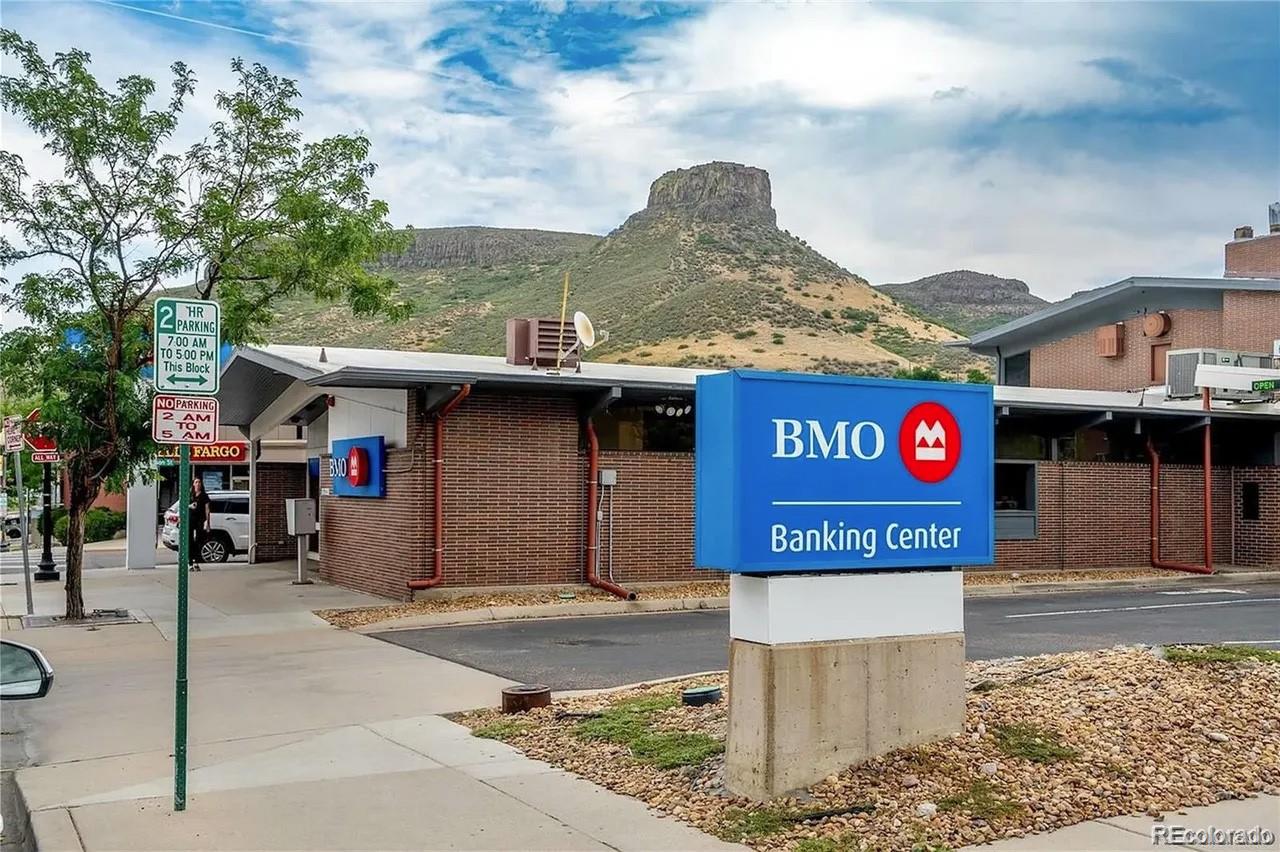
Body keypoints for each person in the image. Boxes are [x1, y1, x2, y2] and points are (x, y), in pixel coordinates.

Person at [188, 479, 211, 571]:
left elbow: (207, 509)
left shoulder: (204, 496)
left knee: (198, 541)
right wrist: (190, 506)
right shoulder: (190, 495)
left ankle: (196, 562)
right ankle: (190, 563)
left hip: (199, 520)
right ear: (193, 484)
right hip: (190, 519)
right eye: (196, 482)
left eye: (199, 482)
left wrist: (208, 523)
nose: (198, 484)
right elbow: (183, 505)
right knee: (190, 541)